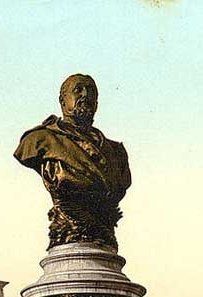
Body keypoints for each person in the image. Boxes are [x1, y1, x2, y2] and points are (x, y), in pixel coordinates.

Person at [14, 74, 131, 249]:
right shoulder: (39, 140)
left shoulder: (117, 152)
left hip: (104, 242)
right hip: (69, 234)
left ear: (97, 103)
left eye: (91, 92)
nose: (85, 95)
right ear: (63, 101)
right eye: (78, 90)